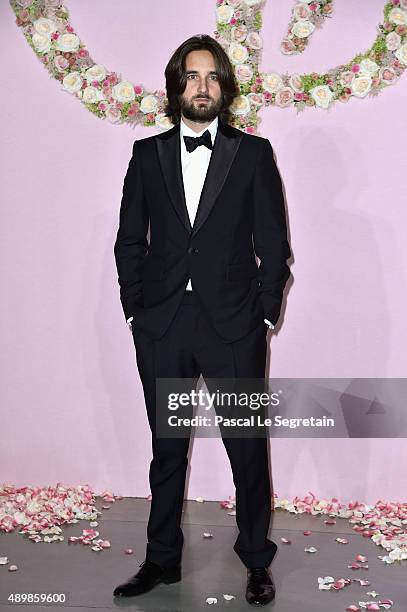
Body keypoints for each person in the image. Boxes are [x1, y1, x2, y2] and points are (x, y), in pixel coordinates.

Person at [113, 34, 291, 606]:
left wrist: (262, 315)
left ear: (225, 87)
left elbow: (274, 243)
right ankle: (161, 560)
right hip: (163, 326)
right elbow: (128, 242)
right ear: (175, 85)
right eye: (192, 76)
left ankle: (257, 562)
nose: (202, 86)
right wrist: (137, 311)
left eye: (212, 76)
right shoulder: (146, 155)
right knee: (167, 448)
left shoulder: (253, 154)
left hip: (234, 327)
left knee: (246, 446)